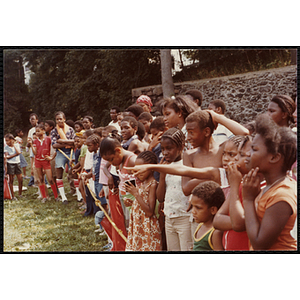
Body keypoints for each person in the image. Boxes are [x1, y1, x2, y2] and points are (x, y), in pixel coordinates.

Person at [242, 114, 297, 250]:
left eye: (254, 149)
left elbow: (260, 244)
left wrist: (248, 200)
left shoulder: (282, 195)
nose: (248, 154)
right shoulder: (269, 187)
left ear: (274, 157)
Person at [155, 128, 192, 251]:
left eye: (169, 148)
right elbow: (160, 197)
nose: (165, 152)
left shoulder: (187, 164)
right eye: (162, 149)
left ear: (181, 146)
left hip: (185, 217)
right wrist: (162, 174)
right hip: (169, 218)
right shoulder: (165, 166)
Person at [125, 151, 161, 251]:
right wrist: (133, 203)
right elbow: (143, 203)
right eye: (136, 169)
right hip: (138, 225)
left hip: (146, 227)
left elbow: (149, 212)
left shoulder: (152, 184)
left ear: (150, 168)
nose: (137, 173)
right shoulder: (143, 183)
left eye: (141, 169)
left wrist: (136, 194)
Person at [100, 134, 137, 228]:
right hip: (126, 199)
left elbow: (138, 186)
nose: (111, 163)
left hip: (134, 202)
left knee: (133, 225)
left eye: (111, 159)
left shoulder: (131, 161)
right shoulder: (121, 160)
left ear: (118, 150)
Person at [28, 124, 59, 202]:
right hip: (38, 161)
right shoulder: (35, 141)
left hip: (46, 161)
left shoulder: (48, 139)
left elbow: (56, 149)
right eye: (36, 132)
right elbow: (35, 153)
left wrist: (51, 157)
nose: (37, 133)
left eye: (38, 131)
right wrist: (31, 145)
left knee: (50, 179)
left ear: (43, 131)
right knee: (41, 179)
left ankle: (56, 196)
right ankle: (44, 197)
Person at [191, 181, 225, 251]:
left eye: (198, 208)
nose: (193, 211)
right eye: (192, 206)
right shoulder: (200, 225)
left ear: (213, 210)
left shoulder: (215, 232)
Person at [50, 111, 75, 204]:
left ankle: (79, 196)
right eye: (57, 119)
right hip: (60, 153)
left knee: (75, 172)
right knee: (59, 174)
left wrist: (61, 141)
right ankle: (64, 197)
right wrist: (68, 142)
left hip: (71, 152)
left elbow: (75, 142)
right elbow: (54, 145)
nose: (59, 121)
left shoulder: (71, 129)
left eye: (61, 118)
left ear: (64, 119)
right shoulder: (54, 131)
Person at [4, 134, 23, 200]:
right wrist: (15, 155)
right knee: (11, 180)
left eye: (8, 140)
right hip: (10, 164)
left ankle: (20, 194)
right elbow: (6, 157)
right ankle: (13, 195)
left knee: (20, 179)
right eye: (5, 141)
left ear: (12, 140)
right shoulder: (6, 148)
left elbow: (19, 152)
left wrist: (14, 145)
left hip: (17, 163)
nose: (6, 142)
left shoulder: (17, 145)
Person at [27, 113, 39, 187]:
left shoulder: (40, 128)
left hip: (39, 150)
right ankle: (33, 181)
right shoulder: (31, 130)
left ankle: (42, 181)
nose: (32, 121)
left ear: (37, 120)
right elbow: (29, 141)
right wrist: (28, 144)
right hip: (32, 150)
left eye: (33, 119)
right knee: (33, 166)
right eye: (31, 120)